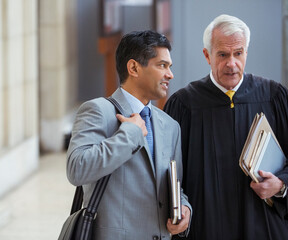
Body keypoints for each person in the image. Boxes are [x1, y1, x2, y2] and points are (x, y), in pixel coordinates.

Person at [164, 14, 288, 240]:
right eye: (223, 54)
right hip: (206, 226)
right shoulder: (184, 105)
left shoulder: (273, 96)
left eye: (238, 53)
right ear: (207, 55)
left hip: (264, 225)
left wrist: (281, 184)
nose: (232, 63)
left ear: (246, 53)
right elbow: (168, 172)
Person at [67, 30, 192, 239]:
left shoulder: (170, 126)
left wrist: (185, 208)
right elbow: (77, 169)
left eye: (169, 66)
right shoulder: (97, 111)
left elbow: (173, 186)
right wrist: (130, 134)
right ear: (134, 67)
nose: (170, 74)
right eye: (162, 65)